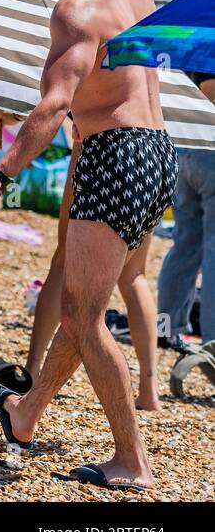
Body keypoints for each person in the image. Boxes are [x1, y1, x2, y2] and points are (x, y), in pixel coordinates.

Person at [0, 0, 175, 492]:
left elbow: (53, 105)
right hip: (156, 151)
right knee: (84, 303)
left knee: (85, 318)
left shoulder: (74, 8)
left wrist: (2, 172)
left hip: (115, 155)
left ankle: (130, 462)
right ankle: (26, 411)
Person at [25, 122, 162, 410]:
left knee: (63, 261)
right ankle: (149, 389)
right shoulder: (153, 75)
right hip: (155, 148)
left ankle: (33, 370)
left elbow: (64, 100)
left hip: (103, 140)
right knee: (135, 274)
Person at [155, 0, 215, 349]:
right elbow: (210, 90)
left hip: (181, 148)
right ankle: (212, 340)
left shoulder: (177, 32)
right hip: (209, 149)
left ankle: (166, 329)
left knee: (185, 244)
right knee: (211, 251)